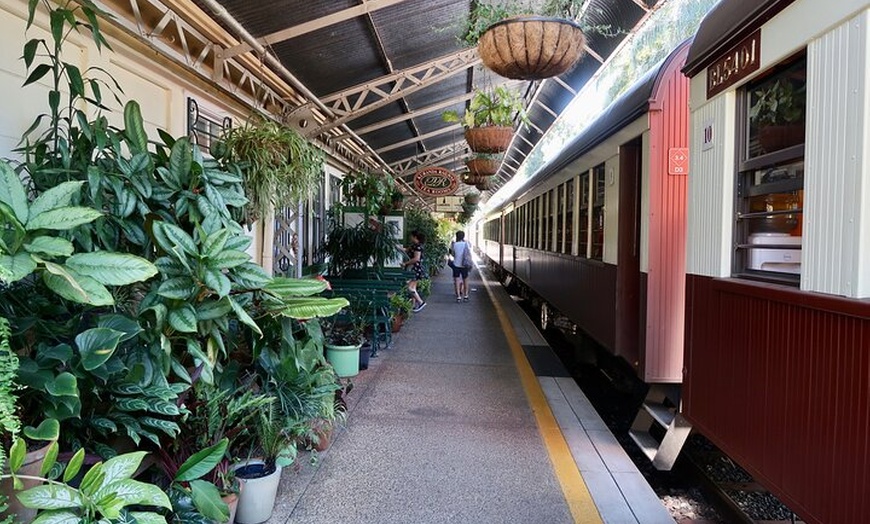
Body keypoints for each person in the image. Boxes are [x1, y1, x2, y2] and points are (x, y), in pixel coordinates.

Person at [402, 230, 427, 312]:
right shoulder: (415, 245)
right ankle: (413, 306)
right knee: (413, 287)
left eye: (411, 236)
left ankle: (421, 302)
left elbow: (416, 259)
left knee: (409, 288)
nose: (410, 237)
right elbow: (406, 250)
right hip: (416, 269)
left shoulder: (417, 247)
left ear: (415, 237)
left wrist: (405, 263)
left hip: (415, 269)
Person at [448, 230, 472, 302]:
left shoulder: (454, 244)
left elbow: (452, 254)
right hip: (465, 265)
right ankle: (466, 295)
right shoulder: (466, 244)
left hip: (456, 265)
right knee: (465, 280)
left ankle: (458, 296)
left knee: (457, 280)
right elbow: (469, 253)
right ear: (463, 236)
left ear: (457, 236)